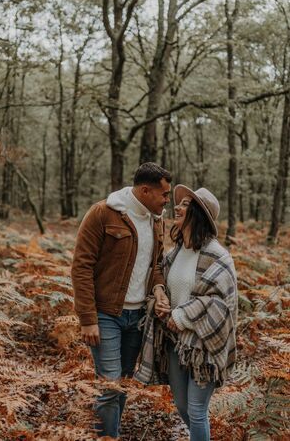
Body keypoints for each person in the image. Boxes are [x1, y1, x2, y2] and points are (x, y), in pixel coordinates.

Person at [71, 162, 172, 439]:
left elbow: (156, 266)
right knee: (110, 385)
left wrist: (160, 287)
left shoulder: (156, 221)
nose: (167, 200)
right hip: (106, 315)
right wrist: (88, 319)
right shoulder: (103, 213)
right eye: (164, 195)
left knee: (124, 383)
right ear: (144, 190)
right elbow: (81, 267)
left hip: (138, 317)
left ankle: (108, 432)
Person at [135, 185, 238, 441]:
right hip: (174, 343)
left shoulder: (218, 256)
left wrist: (181, 317)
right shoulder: (175, 253)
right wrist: (159, 302)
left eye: (184, 205)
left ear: (198, 215)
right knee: (181, 406)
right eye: (178, 204)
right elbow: (159, 287)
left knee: (197, 410)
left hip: (203, 347)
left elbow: (220, 305)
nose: (176, 207)